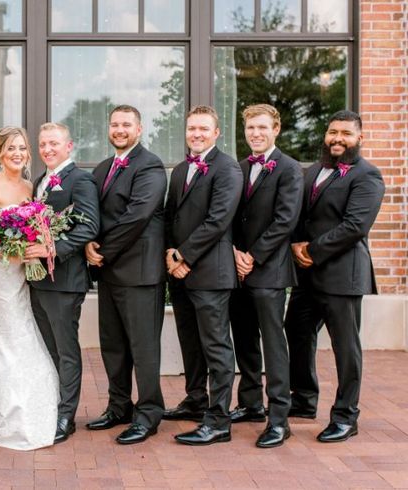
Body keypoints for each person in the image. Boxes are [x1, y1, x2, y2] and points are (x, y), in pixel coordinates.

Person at [285, 110, 384, 443]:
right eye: (332, 132)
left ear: (359, 138)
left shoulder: (368, 175)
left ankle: (345, 415)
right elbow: (301, 215)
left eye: (345, 133)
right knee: (295, 330)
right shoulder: (313, 170)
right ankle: (303, 400)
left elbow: (355, 227)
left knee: (346, 348)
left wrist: (311, 250)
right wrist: (296, 244)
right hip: (306, 275)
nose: (337, 139)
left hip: (343, 275)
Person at [85, 105, 167, 445]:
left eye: (126, 124)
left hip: (140, 273)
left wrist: (101, 251)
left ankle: (149, 413)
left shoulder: (150, 165)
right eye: (114, 124)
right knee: (113, 346)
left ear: (139, 128)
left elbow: (136, 217)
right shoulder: (103, 168)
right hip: (110, 274)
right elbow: (94, 214)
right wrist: (88, 241)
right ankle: (119, 406)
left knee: (143, 347)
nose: (119, 129)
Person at [0, 126, 60, 450]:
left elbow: (40, 226)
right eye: (11, 148)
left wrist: (32, 242)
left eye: (22, 148)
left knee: (25, 327)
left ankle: (36, 401)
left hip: (25, 272)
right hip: (0, 272)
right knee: (4, 333)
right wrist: (4, 246)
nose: (18, 154)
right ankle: (3, 413)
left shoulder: (30, 186)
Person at [163, 105, 242, 446]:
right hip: (179, 273)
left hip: (211, 272)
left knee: (216, 346)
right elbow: (170, 216)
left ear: (216, 132)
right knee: (190, 343)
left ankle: (219, 419)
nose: (196, 134)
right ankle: (195, 400)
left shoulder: (228, 168)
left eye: (203, 129)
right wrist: (170, 254)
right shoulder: (181, 170)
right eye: (192, 128)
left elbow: (219, 219)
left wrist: (184, 255)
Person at [229, 104, 304, 448]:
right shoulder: (239, 167)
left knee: (273, 344)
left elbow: (285, 221)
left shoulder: (289, 169)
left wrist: (253, 256)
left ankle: (279, 418)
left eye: (262, 127)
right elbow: (229, 216)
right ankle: (249, 403)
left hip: (269, 271)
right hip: (237, 270)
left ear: (276, 128)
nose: (255, 134)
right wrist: (234, 254)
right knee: (243, 339)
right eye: (250, 128)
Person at [25, 122, 100, 444]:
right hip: (38, 281)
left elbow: (89, 226)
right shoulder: (40, 182)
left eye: (54, 143)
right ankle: (52, 405)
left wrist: (52, 249)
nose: (48, 149)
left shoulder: (80, 179)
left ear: (69, 147)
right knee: (49, 349)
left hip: (66, 280)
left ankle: (66, 416)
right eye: (43, 144)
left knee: (67, 351)